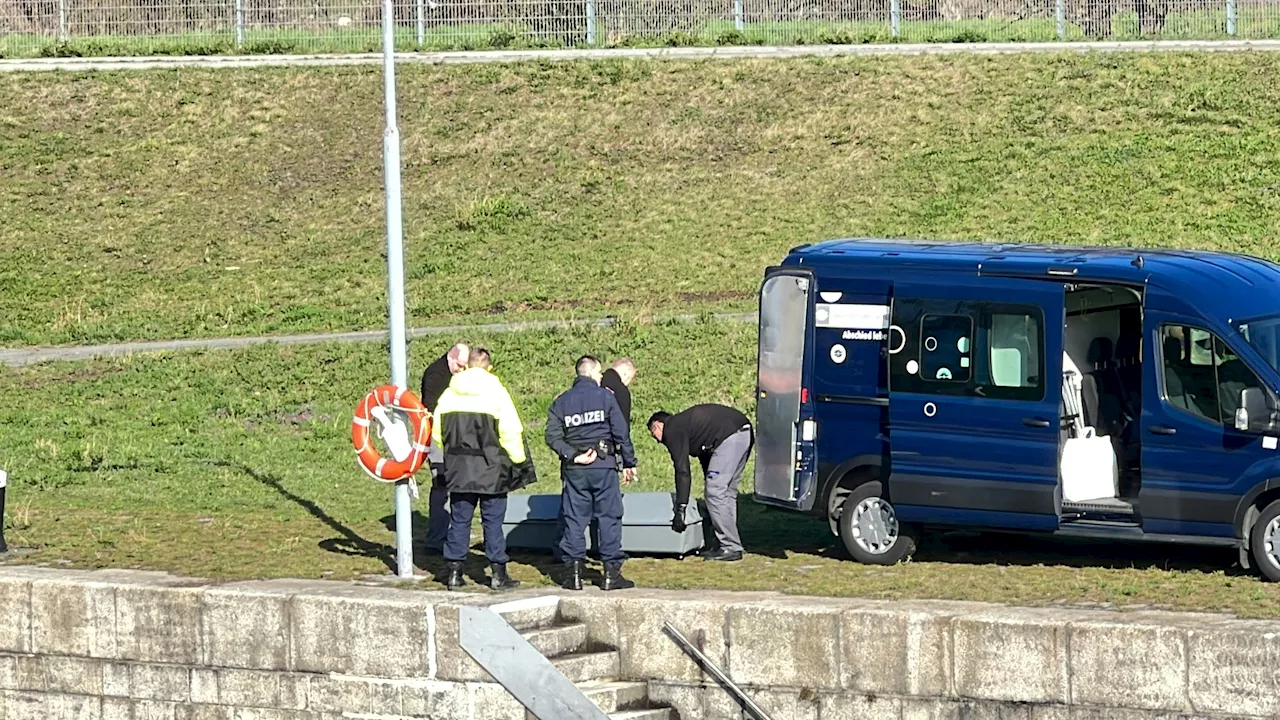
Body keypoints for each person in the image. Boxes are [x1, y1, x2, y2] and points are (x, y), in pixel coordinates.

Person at [432, 348, 535, 591]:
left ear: (466, 366)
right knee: (492, 522)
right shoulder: (496, 393)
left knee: (459, 520)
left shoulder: (448, 394)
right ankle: (498, 574)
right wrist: (519, 460)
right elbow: (510, 432)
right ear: (490, 367)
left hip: (459, 470)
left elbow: (436, 433)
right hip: (492, 469)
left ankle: (454, 573)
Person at [546, 355, 638, 591]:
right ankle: (610, 574)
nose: (601, 377)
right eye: (599, 374)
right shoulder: (606, 397)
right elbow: (621, 432)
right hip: (603, 465)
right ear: (592, 373)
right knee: (609, 517)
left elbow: (552, 437)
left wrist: (572, 454)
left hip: (576, 469)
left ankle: (574, 575)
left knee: (574, 520)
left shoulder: (562, 401)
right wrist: (629, 461)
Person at [647, 404, 754, 562]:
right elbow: (707, 459)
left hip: (729, 436)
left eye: (653, 433)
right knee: (726, 493)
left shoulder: (672, 428)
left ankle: (730, 546)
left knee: (715, 492)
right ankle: (726, 542)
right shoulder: (688, 426)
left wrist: (680, 508)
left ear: (658, 425)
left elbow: (682, 470)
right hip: (744, 431)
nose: (656, 440)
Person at [419, 343, 469, 553]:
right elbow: (430, 407)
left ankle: (449, 532)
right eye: (459, 365)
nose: (462, 369)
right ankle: (436, 538)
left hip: (452, 436)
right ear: (451, 357)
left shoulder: (455, 374)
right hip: (438, 438)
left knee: (453, 484)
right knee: (441, 484)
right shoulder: (435, 375)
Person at [600, 358, 636, 425]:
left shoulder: (594, 382)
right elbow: (623, 424)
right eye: (629, 379)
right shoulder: (621, 391)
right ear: (626, 373)